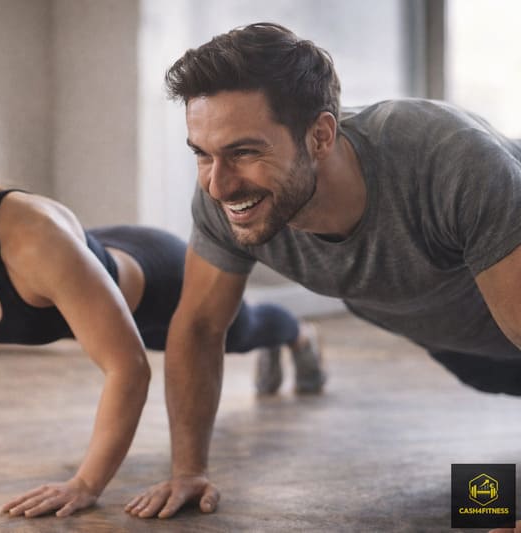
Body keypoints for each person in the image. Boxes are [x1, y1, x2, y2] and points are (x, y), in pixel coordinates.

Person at [0, 89, 324, 518]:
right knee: (234, 331)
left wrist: (86, 484)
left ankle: (301, 334)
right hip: (82, 268)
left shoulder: (29, 238)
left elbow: (128, 368)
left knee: (243, 329)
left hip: (155, 279)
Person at [125, 22, 521, 519]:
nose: (219, 185)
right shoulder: (227, 203)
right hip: (474, 351)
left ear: (320, 136)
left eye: (245, 151)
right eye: (202, 154)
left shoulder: (445, 161)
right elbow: (201, 326)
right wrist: (188, 471)